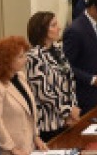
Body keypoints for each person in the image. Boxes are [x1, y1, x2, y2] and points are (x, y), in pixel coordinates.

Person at [0, 36, 46, 155]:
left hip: (29, 148)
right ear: (7, 60)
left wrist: (36, 136)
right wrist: (14, 149)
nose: (26, 59)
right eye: (20, 57)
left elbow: (30, 110)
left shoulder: (20, 77)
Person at [24, 11, 79, 142]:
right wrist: (67, 111)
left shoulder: (58, 49)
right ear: (42, 30)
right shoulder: (33, 57)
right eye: (53, 25)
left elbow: (70, 81)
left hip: (67, 118)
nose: (59, 28)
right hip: (49, 121)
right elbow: (43, 93)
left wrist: (73, 108)